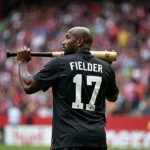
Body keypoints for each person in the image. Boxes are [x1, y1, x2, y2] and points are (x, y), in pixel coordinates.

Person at [16, 26, 119, 150]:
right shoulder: (105, 68)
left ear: (79, 42)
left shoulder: (60, 63)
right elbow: (112, 97)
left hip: (67, 139)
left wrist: (22, 63)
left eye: (67, 38)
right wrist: (107, 70)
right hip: (97, 140)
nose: (63, 42)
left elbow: (29, 85)